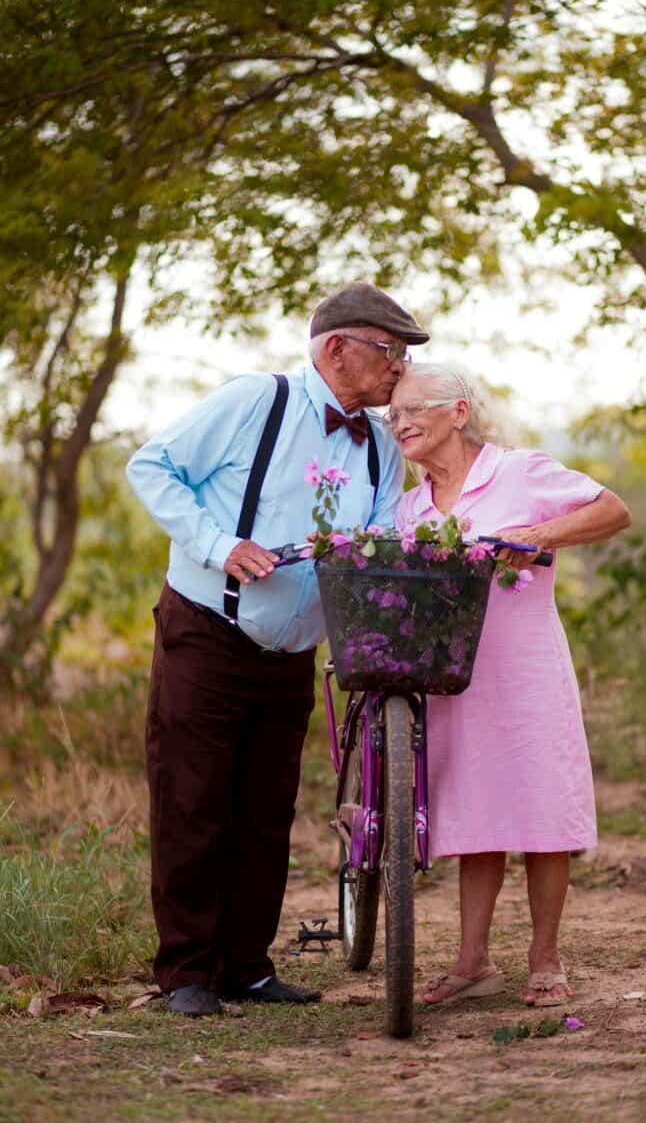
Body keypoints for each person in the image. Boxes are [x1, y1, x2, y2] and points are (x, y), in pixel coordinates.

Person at [126, 283, 429, 1016]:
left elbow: (381, 538)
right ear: (336, 348)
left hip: (294, 653)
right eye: (389, 352)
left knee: (267, 809)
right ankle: (188, 975)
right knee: (193, 802)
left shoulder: (381, 447)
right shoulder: (254, 401)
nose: (399, 370)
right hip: (208, 631)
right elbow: (150, 466)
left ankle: (247, 967)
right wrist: (220, 545)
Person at [390, 363, 631, 1008]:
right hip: (454, 681)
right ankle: (472, 963)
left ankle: (545, 960)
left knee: (543, 813)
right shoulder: (411, 507)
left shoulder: (519, 472)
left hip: (525, 672)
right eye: (393, 416)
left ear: (458, 412)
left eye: (414, 410)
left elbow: (612, 510)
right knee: (477, 815)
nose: (401, 423)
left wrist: (539, 535)